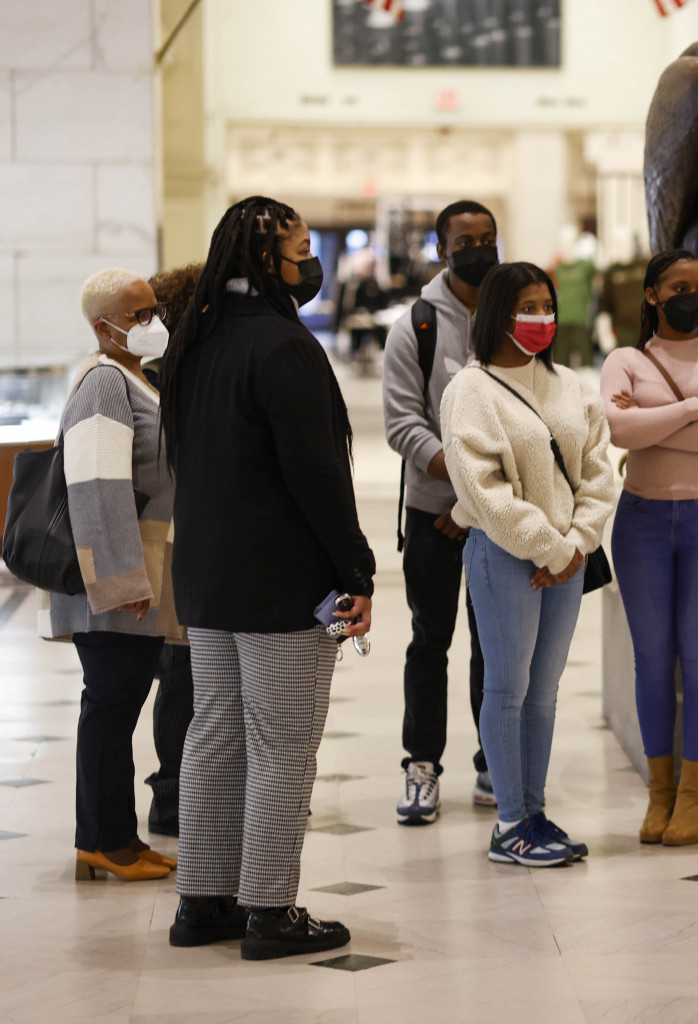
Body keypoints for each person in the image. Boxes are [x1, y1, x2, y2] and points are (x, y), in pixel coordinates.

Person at [161, 196, 375, 960]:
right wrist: (357, 570)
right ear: (266, 259)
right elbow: (318, 478)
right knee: (283, 742)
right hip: (284, 583)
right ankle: (270, 910)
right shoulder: (284, 347)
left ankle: (203, 902)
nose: (310, 264)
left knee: (214, 734)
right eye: (301, 250)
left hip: (207, 578)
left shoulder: (196, 342)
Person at [439, 261, 619, 868]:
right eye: (529, 308)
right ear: (498, 314)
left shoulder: (570, 384)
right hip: (506, 557)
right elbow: (483, 489)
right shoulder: (470, 391)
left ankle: (534, 812)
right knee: (507, 688)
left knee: (543, 693)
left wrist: (577, 543)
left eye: (547, 307)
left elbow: (598, 470)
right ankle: (510, 823)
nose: (542, 319)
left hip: (568, 557)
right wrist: (551, 549)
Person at [601, 249, 698, 846]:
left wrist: (653, 421)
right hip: (640, 522)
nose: (691, 296)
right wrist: (693, 408)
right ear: (652, 295)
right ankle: (659, 793)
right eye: (678, 287)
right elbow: (618, 430)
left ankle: (694, 794)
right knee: (651, 659)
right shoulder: (624, 360)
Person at [44, 269, 181, 883]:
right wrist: (122, 580)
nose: (154, 322)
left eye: (155, 309)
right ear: (104, 327)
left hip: (136, 577)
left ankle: (120, 836)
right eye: (138, 314)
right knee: (108, 706)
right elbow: (97, 487)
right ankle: (100, 842)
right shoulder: (104, 382)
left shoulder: (134, 378)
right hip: (116, 583)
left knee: (119, 707)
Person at [382, 199, 498, 826]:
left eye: (487, 238)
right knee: (431, 641)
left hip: (499, 517)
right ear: (441, 250)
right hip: (434, 516)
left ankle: (493, 762)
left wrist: (479, 501)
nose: (477, 249)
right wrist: (463, 490)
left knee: (494, 644)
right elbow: (404, 424)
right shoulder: (416, 326)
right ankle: (421, 765)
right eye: (464, 241)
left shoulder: (515, 317)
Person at [139, 262, 204, 839]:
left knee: (182, 672)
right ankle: (174, 794)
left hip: (183, 541)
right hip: (179, 542)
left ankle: (177, 791)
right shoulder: (163, 379)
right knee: (182, 670)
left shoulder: (166, 374)